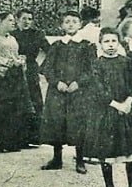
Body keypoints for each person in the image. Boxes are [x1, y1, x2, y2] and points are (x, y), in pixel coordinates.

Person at [85, 28, 132, 187]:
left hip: (127, 111)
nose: (110, 45)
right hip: (106, 112)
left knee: (130, 150)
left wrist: (129, 102)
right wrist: (116, 104)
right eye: (106, 41)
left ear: (119, 43)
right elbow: (97, 89)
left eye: (113, 41)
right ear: (100, 44)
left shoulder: (126, 62)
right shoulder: (96, 64)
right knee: (107, 150)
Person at [39, 10, 93, 173]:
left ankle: (80, 160)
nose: (70, 24)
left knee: (79, 123)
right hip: (58, 92)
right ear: (61, 25)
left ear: (80, 24)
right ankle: (57, 158)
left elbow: (91, 70)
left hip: (79, 92)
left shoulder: (86, 46)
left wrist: (79, 82)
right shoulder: (56, 45)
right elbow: (47, 68)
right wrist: (57, 83)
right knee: (57, 122)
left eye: (74, 21)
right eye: (67, 21)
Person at [0, 11, 33, 154]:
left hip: (10, 78)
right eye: (9, 20)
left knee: (9, 110)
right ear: (0, 22)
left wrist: (20, 61)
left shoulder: (13, 39)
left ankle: (7, 142)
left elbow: (14, 55)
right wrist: (9, 62)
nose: (13, 22)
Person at [14, 8, 51, 147]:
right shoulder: (12, 35)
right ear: (17, 20)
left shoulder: (37, 34)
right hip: (15, 70)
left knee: (34, 101)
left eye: (30, 19)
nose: (27, 22)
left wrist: (42, 68)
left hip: (31, 70)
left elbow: (51, 51)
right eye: (24, 19)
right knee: (17, 102)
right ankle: (18, 138)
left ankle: (34, 138)